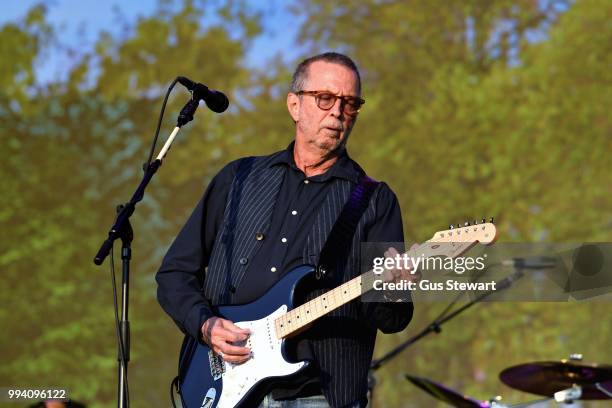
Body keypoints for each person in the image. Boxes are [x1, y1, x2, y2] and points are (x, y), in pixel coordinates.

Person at [156, 52, 415, 408]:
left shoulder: (373, 199)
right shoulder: (239, 178)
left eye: (350, 104)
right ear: (295, 105)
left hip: (320, 394)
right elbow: (174, 274)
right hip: (220, 385)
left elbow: (391, 318)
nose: (337, 112)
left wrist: (394, 290)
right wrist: (206, 326)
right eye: (325, 98)